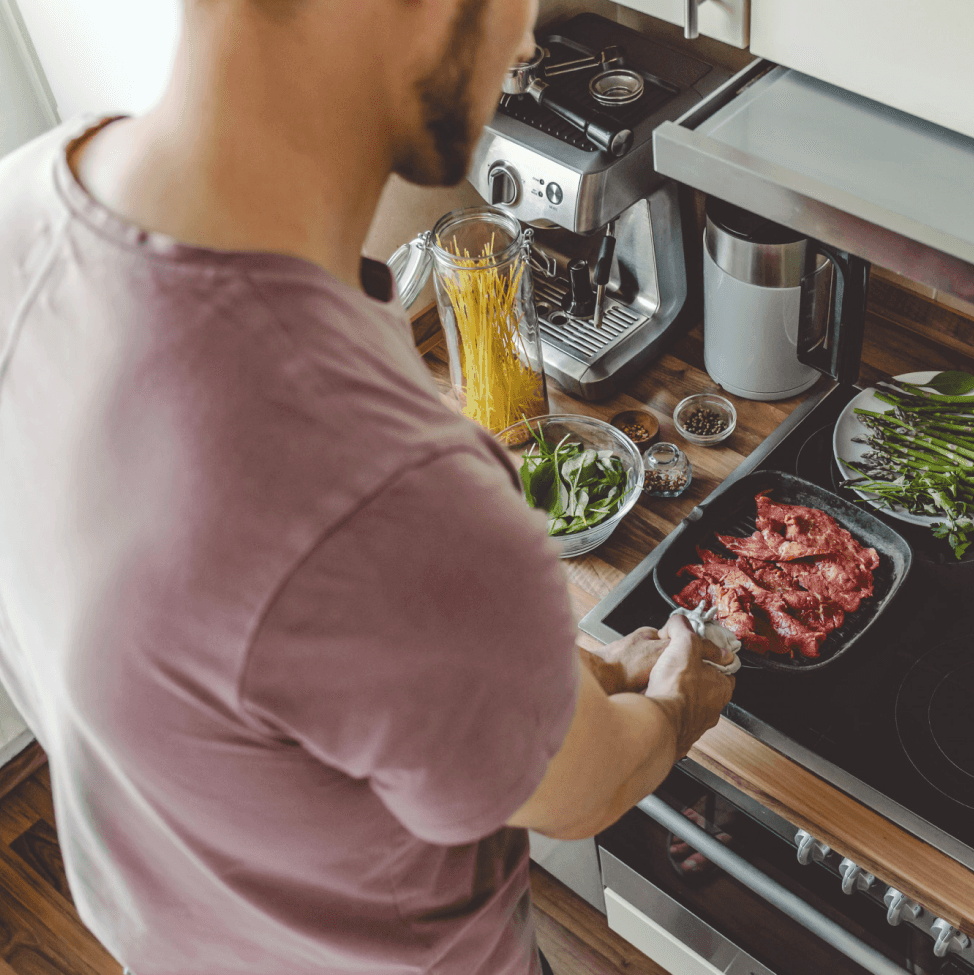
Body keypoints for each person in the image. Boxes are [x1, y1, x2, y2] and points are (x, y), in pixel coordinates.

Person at [0, 0, 735, 972]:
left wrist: (539, 679)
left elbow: (274, 682)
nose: (523, 43)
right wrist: (682, 701)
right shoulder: (394, 491)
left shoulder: (22, 208)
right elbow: (581, 789)